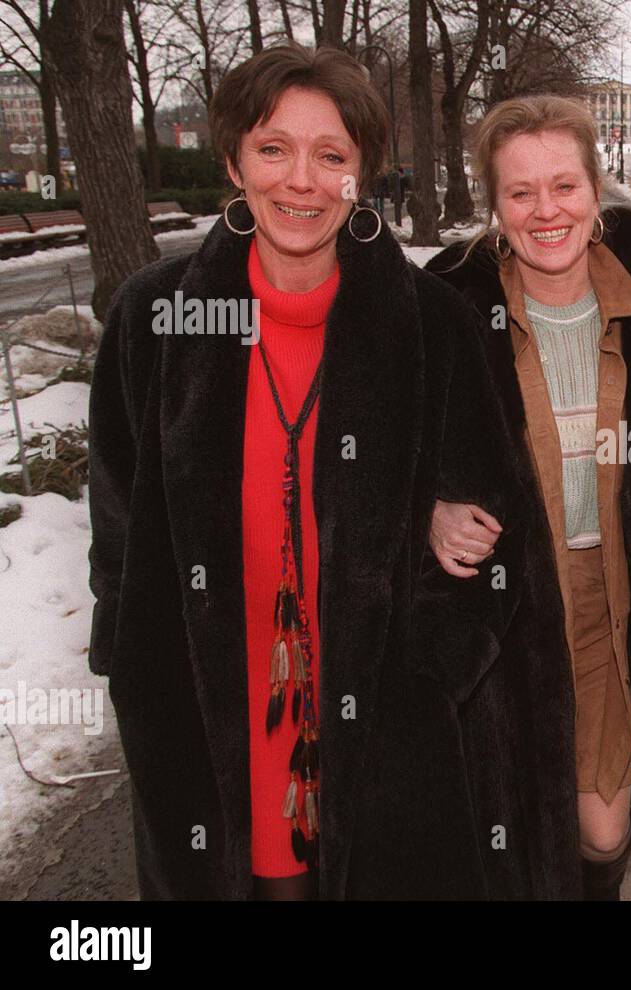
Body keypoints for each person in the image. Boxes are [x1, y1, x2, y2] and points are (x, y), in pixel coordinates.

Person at [87, 44, 527, 899]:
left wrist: (435, 668)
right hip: (214, 706)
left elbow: (494, 514)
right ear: (232, 161)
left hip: (383, 717)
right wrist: (135, 669)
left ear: (363, 175)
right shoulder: (156, 316)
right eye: (272, 148)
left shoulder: (434, 325)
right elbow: (116, 521)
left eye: (332, 156)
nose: (302, 181)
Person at [427, 95, 631, 900]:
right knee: (510, 825)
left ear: (596, 188)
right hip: (505, 609)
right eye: (521, 193)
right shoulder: (449, 317)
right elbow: (385, 449)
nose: (547, 211)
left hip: (610, 595)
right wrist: (429, 511)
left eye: (565, 187)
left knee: (603, 828)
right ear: (495, 205)